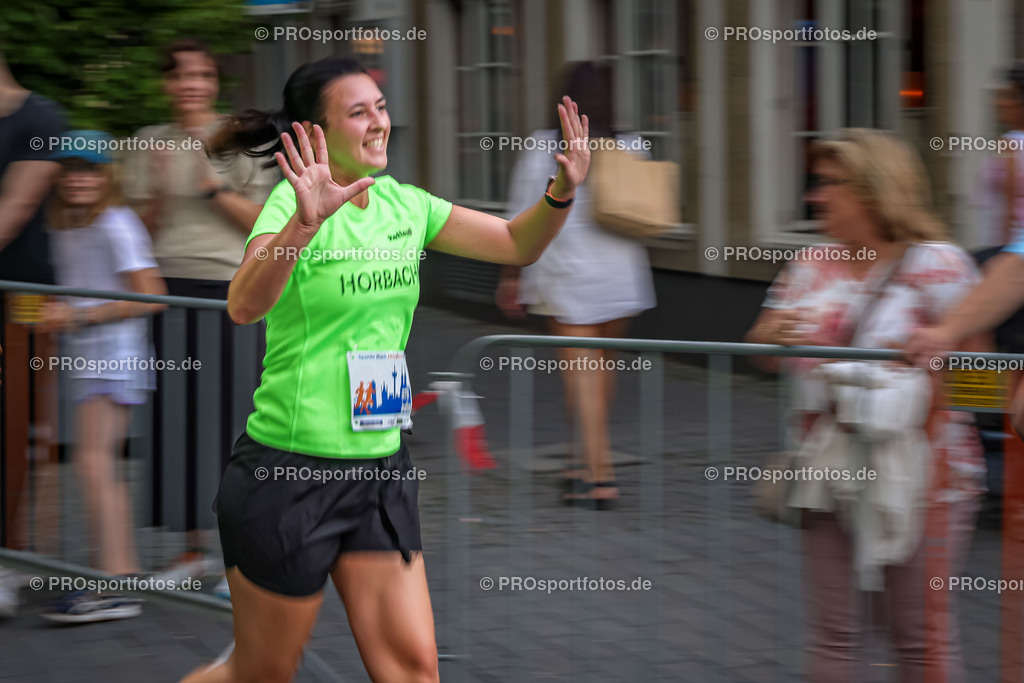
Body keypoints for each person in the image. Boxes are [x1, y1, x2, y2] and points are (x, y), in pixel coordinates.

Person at [180, 57, 590, 683]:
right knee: (259, 674)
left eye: (380, 106)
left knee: (412, 670)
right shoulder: (291, 208)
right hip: (291, 475)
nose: (379, 123)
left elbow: (516, 244)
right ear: (314, 134)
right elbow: (243, 305)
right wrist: (305, 222)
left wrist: (561, 191)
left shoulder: (407, 205)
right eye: (358, 111)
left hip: (380, 468)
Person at [745, 129, 985, 683]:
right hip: (826, 468)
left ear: (877, 191)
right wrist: (771, 337)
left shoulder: (940, 266)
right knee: (835, 634)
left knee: (919, 638)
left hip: (926, 476)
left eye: (832, 183)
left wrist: (930, 399)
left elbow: (983, 375)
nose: (815, 195)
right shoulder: (811, 263)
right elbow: (758, 347)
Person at [123, 39, 278, 586]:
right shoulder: (147, 143)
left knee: (233, 421)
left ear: (215, 82)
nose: (191, 83)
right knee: (176, 423)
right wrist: (163, 195)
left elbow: (266, 224)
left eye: (203, 74)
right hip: (165, 292)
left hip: (229, 289)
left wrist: (211, 188)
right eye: (180, 74)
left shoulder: (242, 139)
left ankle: (243, 551)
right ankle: (192, 555)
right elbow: (135, 233)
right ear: (166, 83)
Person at [497, 62, 655, 509]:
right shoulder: (632, 145)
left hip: (566, 273)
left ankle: (600, 478)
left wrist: (510, 275)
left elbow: (519, 217)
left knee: (581, 377)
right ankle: (580, 462)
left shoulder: (542, 147)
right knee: (599, 374)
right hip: (622, 273)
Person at [35, 130, 167, 622]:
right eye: (69, 169)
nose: (78, 178)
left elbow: (152, 295)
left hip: (112, 352)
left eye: (88, 169)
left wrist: (79, 316)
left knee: (95, 466)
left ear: (105, 174)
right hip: (86, 351)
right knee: (99, 467)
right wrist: (63, 309)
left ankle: (114, 588)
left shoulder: (115, 222)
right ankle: (117, 578)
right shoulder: (66, 223)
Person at [0, 49, 64, 619]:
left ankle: (13, 559)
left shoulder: (40, 119)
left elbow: (14, 210)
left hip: (21, 299)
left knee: (16, 426)